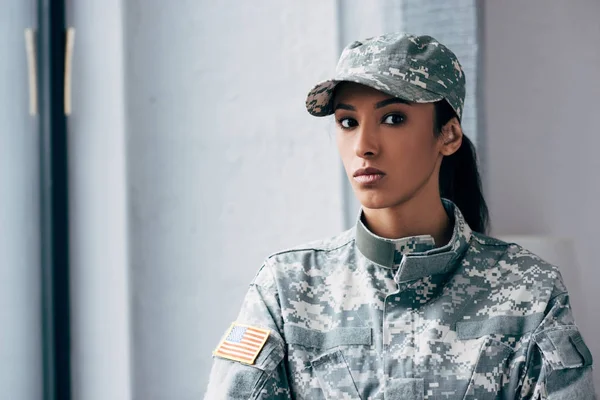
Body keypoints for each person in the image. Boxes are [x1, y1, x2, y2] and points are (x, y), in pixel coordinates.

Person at [204, 33, 595, 399]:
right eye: (347, 122)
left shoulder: (530, 290)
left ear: (449, 135)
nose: (364, 146)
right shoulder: (286, 288)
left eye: (393, 118)